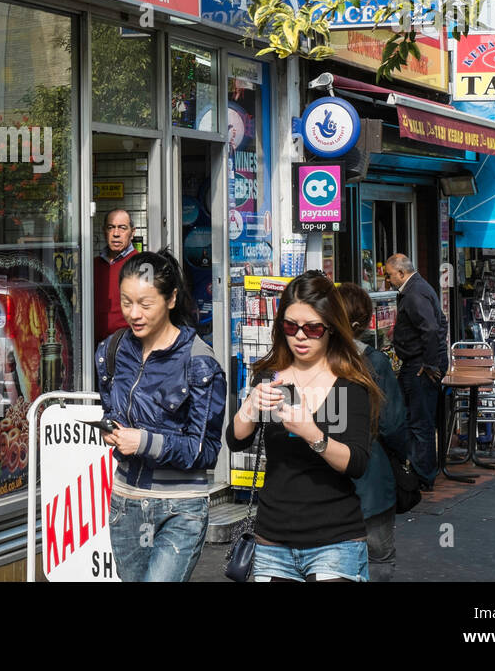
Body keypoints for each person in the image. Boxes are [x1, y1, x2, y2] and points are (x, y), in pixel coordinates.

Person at [227, 271, 379, 582]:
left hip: (334, 541)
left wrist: (312, 433)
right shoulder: (273, 378)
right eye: (290, 326)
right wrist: (250, 406)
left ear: (331, 329)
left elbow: (357, 462)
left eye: (312, 328)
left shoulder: (349, 385)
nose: (300, 336)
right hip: (272, 541)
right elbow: (236, 440)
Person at [96, 250, 225, 581]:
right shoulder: (110, 351)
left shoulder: (199, 361)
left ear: (171, 299)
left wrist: (143, 441)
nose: (134, 314)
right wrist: (112, 432)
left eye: (145, 304)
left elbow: (205, 449)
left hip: (179, 507)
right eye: (126, 303)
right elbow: (113, 412)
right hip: (126, 501)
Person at [336, 282, 409, 582]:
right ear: (366, 321)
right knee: (377, 557)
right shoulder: (374, 361)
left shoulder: (312, 360)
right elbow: (393, 424)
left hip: (324, 480)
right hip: (371, 477)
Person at [384, 254, 448, 489]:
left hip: (420, 366)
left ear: (401, 273)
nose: (388, 281)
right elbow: (439, 324)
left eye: (390, 275)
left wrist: (430, 364)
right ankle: (418, 470)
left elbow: (431, 328)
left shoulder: (414, 292)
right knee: (413, 418)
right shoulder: (417, 289)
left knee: (420, 421)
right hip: (419, 362)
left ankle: (423, 476)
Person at [94, 209, 137, 346]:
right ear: (104, 231)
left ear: (132, 232)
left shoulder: (141, 263)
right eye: (111, 227)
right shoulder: (92, 266)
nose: (116, 234)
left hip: (128, 346)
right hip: (94, 346)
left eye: (122, 228)